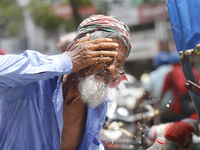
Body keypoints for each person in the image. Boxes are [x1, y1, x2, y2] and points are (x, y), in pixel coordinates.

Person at [0, 14, 132, 150]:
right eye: (107, 57)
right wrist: (67, 60)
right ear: (81, 48)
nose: (111, 69)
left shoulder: (97, 104)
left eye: (118, 65)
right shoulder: (31, 83)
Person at [133, 51, 173, 123]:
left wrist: (136, 105)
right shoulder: (175, 71)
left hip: (164, 109)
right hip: (182, 108)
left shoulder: (154, 75)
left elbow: (145, 94)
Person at [159, 50, 199, 122]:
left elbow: (163, 93)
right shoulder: (194, 71)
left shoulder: (170, 74)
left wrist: (158, 106)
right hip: (195, 107)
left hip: (179, 109)